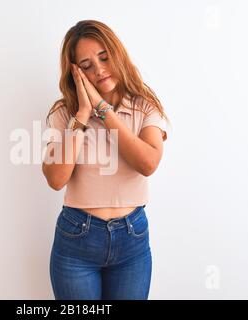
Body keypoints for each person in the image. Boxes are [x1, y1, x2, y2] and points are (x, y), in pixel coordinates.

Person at [42, 20, 171, 300]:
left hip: (132, 241)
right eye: (86, 65)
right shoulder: (65, 113)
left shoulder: (144, 106)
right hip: (77, 241)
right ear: (75, 72)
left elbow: (147, 163)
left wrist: (103, 109)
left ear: (117, 54)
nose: (98, 70)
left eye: (104, 57)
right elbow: (55, 179)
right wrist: (83, 113)